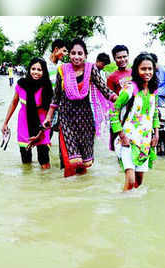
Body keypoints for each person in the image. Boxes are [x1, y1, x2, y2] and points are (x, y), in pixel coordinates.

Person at [42, 38, 117, 178]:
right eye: (73, 53)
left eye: (80, 53)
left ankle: (82, 193)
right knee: (70, 161)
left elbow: (105, 90)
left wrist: (119, 99)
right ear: (69, 55)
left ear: (85, 55)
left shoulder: (91, 69)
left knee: (83, 163)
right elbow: (56, 97)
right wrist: (48, 117)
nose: (76, 56)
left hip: (85, 120)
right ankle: (67, 192)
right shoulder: (62, 70)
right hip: (66, 119)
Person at [110, 53, 159, 191]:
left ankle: (133, 209)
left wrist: (156, 134)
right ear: (136, 70)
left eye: (150, 69)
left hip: (145, 141)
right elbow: (113, 111)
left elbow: (154, 114)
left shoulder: (153, 90)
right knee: (130, 180)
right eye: (143, 69)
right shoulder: (129, 89)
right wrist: (121, 135)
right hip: (127, 140)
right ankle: (121, 208)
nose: (147, 72)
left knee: (139, 182)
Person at [1, 57, 53, 170]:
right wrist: (5, 123)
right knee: (26, 164)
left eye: (39, 70)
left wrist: (43, 130)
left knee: (44, 161)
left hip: (42, 126)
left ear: (44, 72)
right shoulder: (21, 85)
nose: (36, 72)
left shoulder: (47, 87)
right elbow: (14, 103)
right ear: (29, 69)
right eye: (33, 69)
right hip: (24, 125)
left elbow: (52, 110)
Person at [46, 39, 68, 135]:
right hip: (45, 104)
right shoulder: (43, 64)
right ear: (56, 49)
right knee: (44, 131)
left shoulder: (62, 66)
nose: (65, 54)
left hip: (57, 106)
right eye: (63, 51)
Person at [92, 52, 113, 136]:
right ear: (97, 61)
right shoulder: (91, 69)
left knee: (99, 118)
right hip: (91, 99)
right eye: (103, 64)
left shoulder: (102, 72)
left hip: (98, 100)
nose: (103, 66)